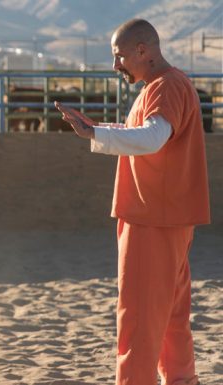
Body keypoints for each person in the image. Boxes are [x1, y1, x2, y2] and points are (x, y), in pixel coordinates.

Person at [54, 19, 210, 385]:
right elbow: (152, 136)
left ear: (143, 50)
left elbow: (154, 137)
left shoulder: (166, 86)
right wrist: (102, 130)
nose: (115, 66)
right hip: (167, 218)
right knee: (171, 317)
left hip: (152, 218)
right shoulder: (166, 85)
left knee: (138, 318)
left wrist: (95, 133)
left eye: (119, 56)